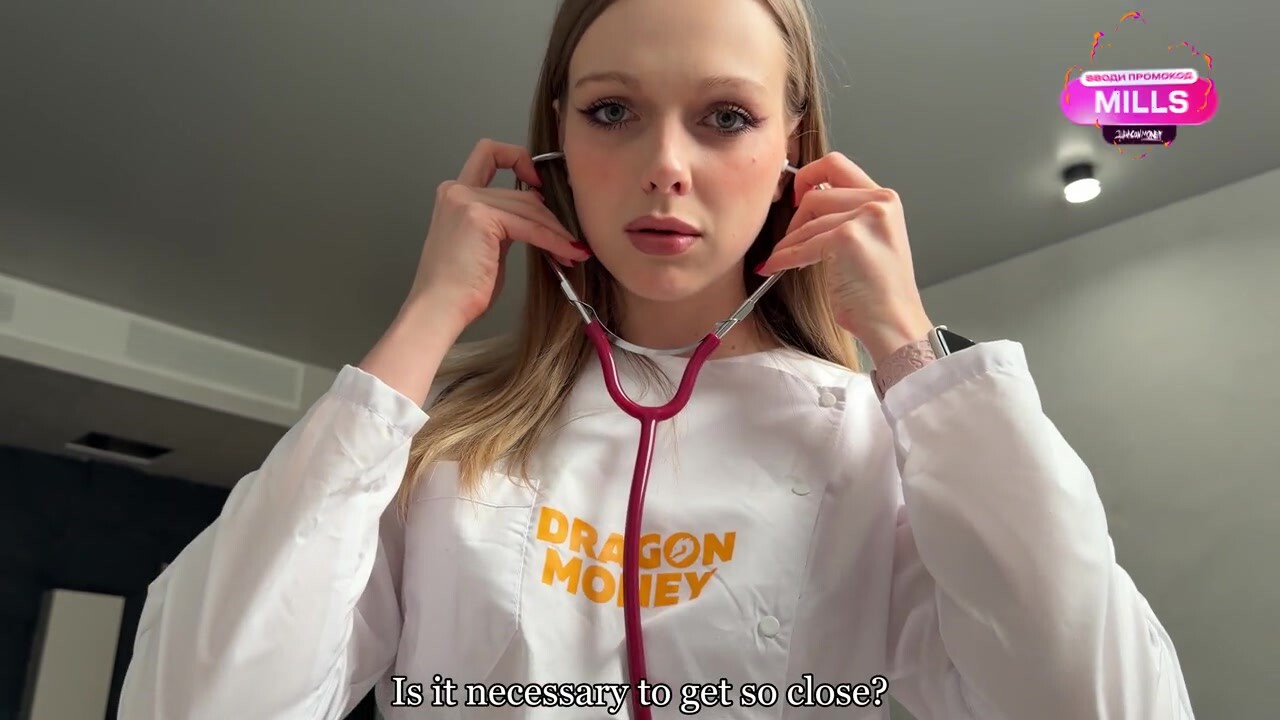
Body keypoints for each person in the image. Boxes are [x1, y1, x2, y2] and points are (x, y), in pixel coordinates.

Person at [117, 0, 1195, 718]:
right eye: (612, 112)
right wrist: (426, 321)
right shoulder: (438, 437)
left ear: (791, 150)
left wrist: (910, 353)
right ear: (556, 140)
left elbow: (1099, 704)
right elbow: (196, 701)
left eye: (725, 116)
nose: (664, 165)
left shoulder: (877, 443)